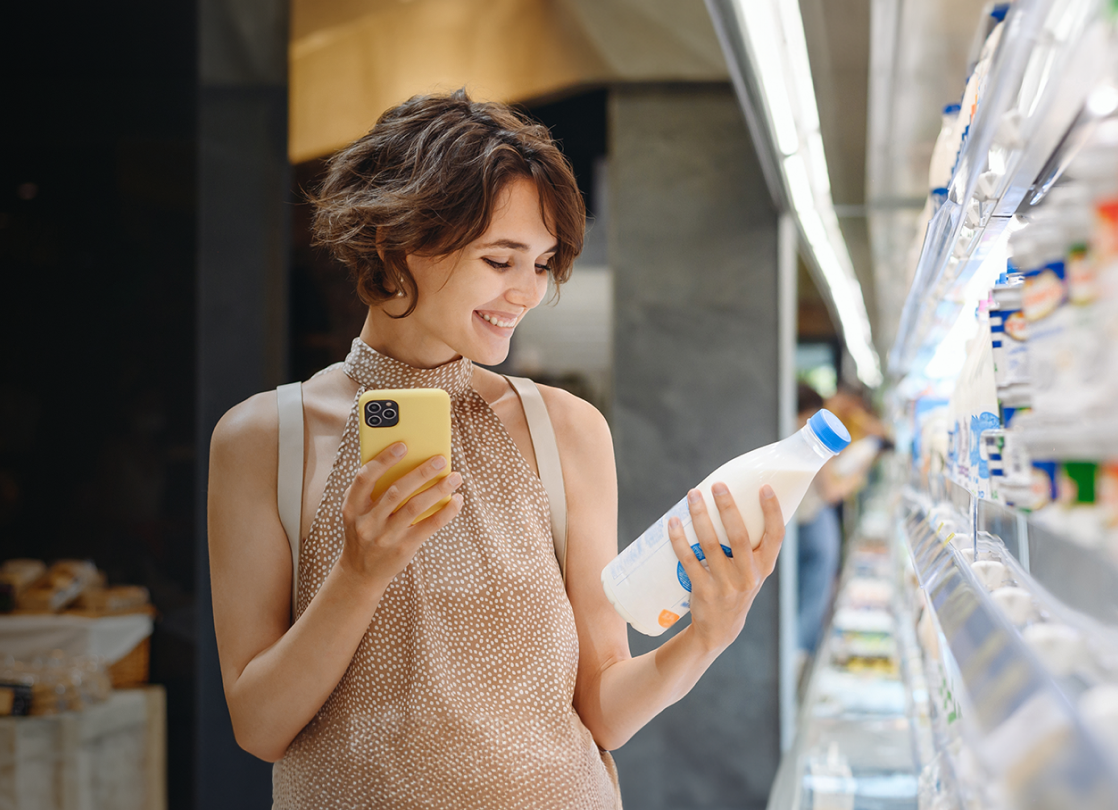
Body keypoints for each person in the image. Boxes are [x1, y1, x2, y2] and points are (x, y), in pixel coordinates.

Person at [207, 89, 786, 809]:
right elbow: (259, 726)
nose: (527, 293)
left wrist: (705, 636)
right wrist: (359, 574)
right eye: (500, 259)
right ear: (398, 240)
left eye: (541, 265)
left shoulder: (566, 430)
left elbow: (603, 709)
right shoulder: (264, 439)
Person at [793, 383, 870, 669]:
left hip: (795, 526)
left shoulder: (781, 434)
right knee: (813, 596)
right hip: (814, 523)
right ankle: (800, 659)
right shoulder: (808, 438)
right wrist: (859, 473)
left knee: (801, 593)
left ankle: (797, 657)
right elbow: (831, 492)